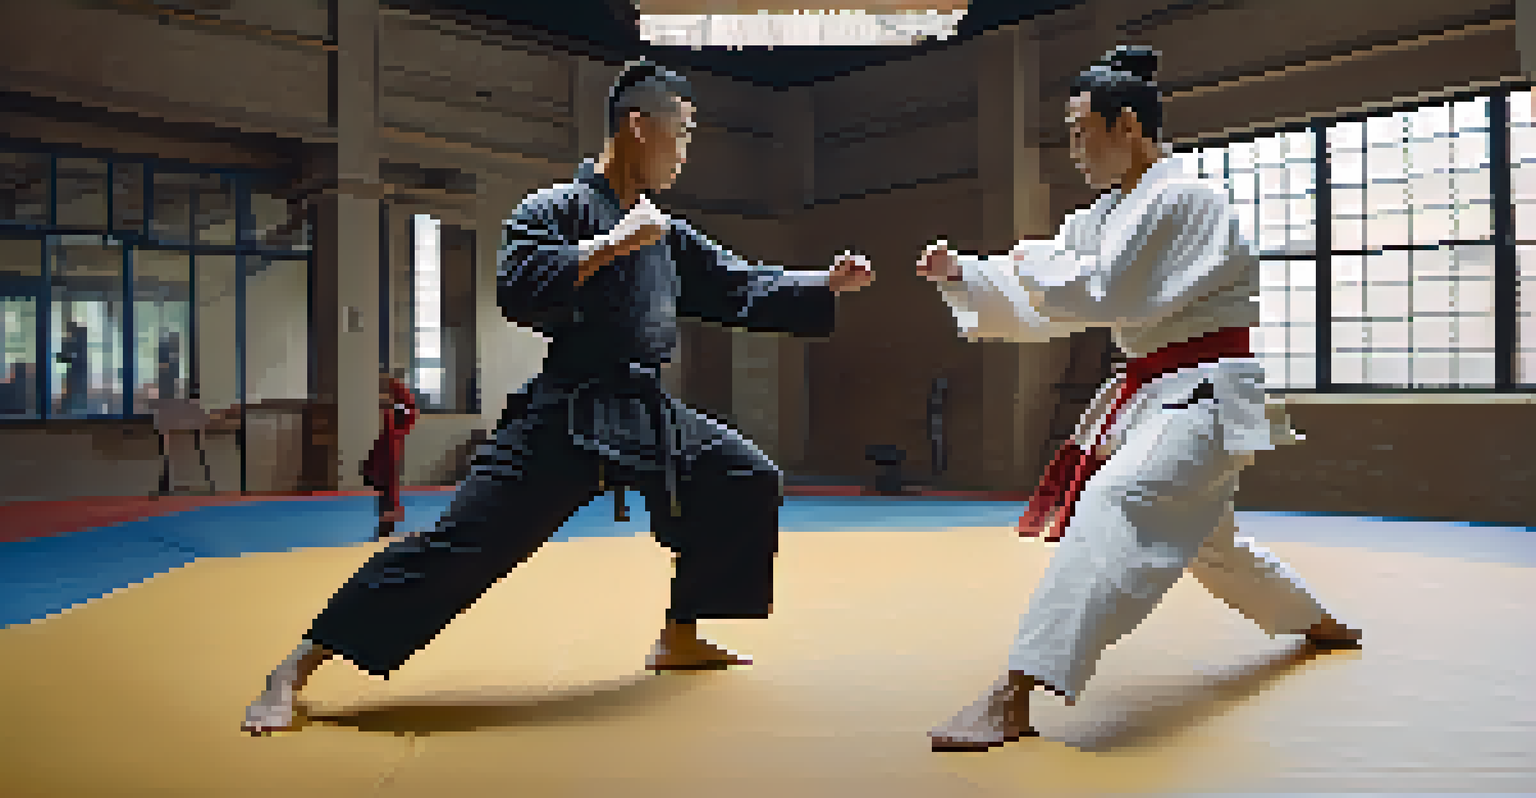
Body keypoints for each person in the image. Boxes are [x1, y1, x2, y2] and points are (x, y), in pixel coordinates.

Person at [241, 59, 874, 734]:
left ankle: (680, 634)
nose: (687, 152)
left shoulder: (664, 231)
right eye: (683, 133)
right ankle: (295, 669)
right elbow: (518, 288)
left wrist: (822, 283)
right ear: (638, 126)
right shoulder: (554, 209)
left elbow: (735, 282)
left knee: (743, 477)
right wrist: (608, 246)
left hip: (644, 409)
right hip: (568, 410)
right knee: (462, 546)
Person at [917, 45, 1361, 752]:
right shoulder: (1101, 216)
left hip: (1205, 393)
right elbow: (1050, 299)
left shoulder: (1186, 199)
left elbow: (1105, 291)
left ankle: (1015, 692)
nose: (1073, 150)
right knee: (1213, 542)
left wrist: (1032, 260)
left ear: (1126, 124)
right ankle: (1316, 622)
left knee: (1118, 501)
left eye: (1080, 132)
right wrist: (966, 275)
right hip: (1157, 393)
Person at [360, 371, 419, 540]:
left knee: (388, 489)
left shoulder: (396, 410)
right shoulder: (383, 408)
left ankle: (387, 524)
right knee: (384, 489)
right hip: (381, 449)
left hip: (388, 448)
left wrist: (391, 404)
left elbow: (408, 411)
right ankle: (387, 522)